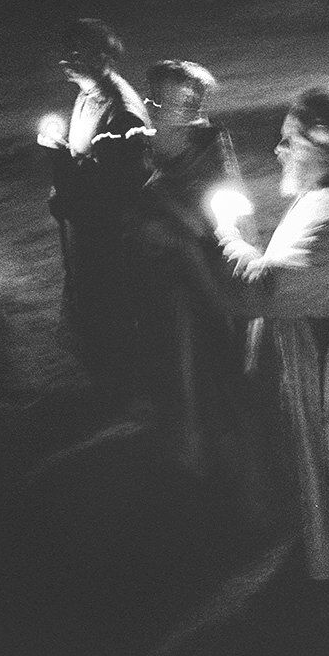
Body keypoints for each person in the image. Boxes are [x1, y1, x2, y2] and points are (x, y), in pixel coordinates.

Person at [215, 87, 329, 586]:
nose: (277, 151)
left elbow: (262, 293)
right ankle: (328, 568)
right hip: (319, 384)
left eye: (288, 141)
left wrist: (226, 230)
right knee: (320, 490)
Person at [126, 60, 273, 529]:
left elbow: (216, 227)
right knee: (185, 387)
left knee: (225, 387)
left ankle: (253, 496)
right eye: (150, 96)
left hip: (211, 297)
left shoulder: (208, 157)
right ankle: (203, 474)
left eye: (157, 100)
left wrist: (163, 213)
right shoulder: (155, 148)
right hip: (171, 297)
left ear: (188, 111)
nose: (147, 105)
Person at [38, 18, 151, 389]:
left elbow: (118, 187)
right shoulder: (89, 93)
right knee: (90, 301)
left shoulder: (122, 111)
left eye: (76, 53)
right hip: (87, 227)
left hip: (107, 234)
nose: (64, 61)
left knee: (108, 306)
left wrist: (59, 158)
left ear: (102, 56)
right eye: (64, 52)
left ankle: (123, 389)